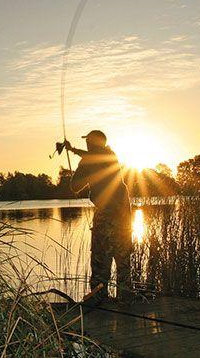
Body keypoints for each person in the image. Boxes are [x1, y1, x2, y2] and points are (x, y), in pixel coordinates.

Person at [64, 130, 133, 303]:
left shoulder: (92, 159)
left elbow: (74, 186)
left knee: (101, 258)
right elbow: (92, 158)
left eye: (88, 140)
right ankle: (125, 298)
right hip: (124, 214)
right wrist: (73, 151)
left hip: (107, 215)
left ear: (92, 143)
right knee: (123, 258)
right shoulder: (110, 156)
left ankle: (99, 299)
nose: (86, 143)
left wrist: (73, 154)